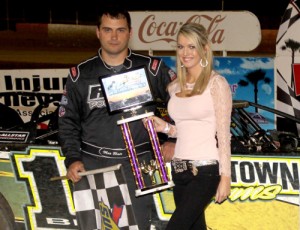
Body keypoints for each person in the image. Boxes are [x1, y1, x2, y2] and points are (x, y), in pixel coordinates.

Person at [57, 3, 176, 230]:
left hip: (139, 164)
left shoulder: (151, 68)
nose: (114, 36)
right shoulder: (80, 74)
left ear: (130, 33)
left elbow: (183, 102)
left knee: (137, 226)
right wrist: (72, 158)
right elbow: (67, 122)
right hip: (93, 165)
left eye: (120, 30)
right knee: (98, 226)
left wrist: (173, 139)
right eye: (108, 30)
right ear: (98, 32)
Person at [143, 22, 232, 230]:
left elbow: (223, 134)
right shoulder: (174, 87)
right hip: (179, 169)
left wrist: (226, 176)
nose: (185, 52)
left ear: (205, 49)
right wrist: (164, 127)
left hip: (205, 172)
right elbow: (183, 129)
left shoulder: (216, 84)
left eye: (192, 46)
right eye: (181, 46)